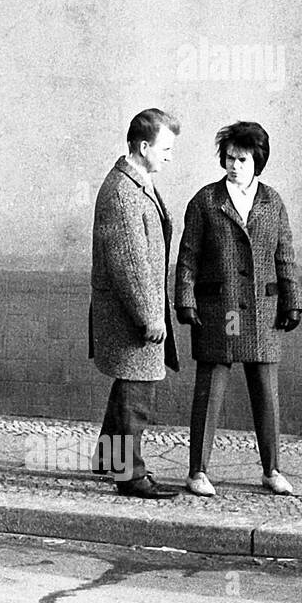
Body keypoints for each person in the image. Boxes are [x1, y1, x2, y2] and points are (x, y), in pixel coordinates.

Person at [176, 121, 302, 497]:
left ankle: (272, 470)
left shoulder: (272, 201)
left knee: (266, 392)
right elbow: (188, 256)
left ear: (257, 161)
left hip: (263, 309)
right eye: (229, 158)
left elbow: (286, 256)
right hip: (221, 310)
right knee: (210, 388)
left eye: (242, 159)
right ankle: (197, 471)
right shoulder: (206, 201)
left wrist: (293, 301)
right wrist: (185, 298)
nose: (234, 166)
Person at [89, 108, 182, 499]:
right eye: (165, 148)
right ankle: (131, 476)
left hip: (127, 309)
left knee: (128, 385)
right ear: (143, 147)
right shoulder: (123, 192)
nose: (169, 155)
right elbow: (129, 262)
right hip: (130, 312)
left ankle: (109, 459)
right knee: (136, 395)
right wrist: (150, 316)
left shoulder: (134, 181)